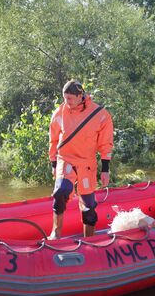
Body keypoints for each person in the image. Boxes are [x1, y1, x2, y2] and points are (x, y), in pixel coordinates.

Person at [48, 79, 114, 239]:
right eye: (64, 98)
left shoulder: (100, 115)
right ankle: (55, 234)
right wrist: (53, 163)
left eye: (69, 98)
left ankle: (89, 240)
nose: (66, 102)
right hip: (66, 159)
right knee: (60, 192)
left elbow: (105, 144)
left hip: (87, 164)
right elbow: (53, 139)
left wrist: (105, 169)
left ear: (80, 96)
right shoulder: (60, 112)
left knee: (89, 206)